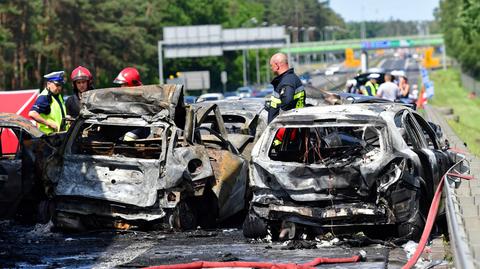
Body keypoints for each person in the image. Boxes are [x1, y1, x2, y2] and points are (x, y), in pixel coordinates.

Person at [268, 52, 305, 123]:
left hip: (284, 127)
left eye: (271, 65)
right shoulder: (292, 78)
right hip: (294, 123)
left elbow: (286, 104)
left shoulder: (286, 82)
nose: (271, 68)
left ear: (277, 65)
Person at [113, 67, 148, 141]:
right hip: (125, 125)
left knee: (129, 138)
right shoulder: (120, 97)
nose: (121, 87)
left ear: (132, 84)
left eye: (124, 84)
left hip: (140, 127)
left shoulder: (143, 97)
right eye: (121, 85)